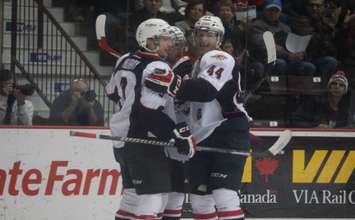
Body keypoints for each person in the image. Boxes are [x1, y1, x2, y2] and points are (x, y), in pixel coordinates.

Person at [145, 15, 251, 219]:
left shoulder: (220, 57)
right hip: (203, 134)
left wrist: (171, 83)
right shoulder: (196, 65)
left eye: (209, 36)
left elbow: (206, 91)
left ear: (218, 38)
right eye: (200, 35)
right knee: (200, 199)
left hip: (228, 131)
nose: (204, 40)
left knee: (224, 194)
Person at [105, 18, 196, 219]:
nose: (170, 44)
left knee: (132, 197)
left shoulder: (125, 59)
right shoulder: (157, 67)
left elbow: (111, 92)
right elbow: (149, 112)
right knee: (155, 197)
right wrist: (177, 134)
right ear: (150, 41)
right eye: (165, 39)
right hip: (143, 139)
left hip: (121, 139)